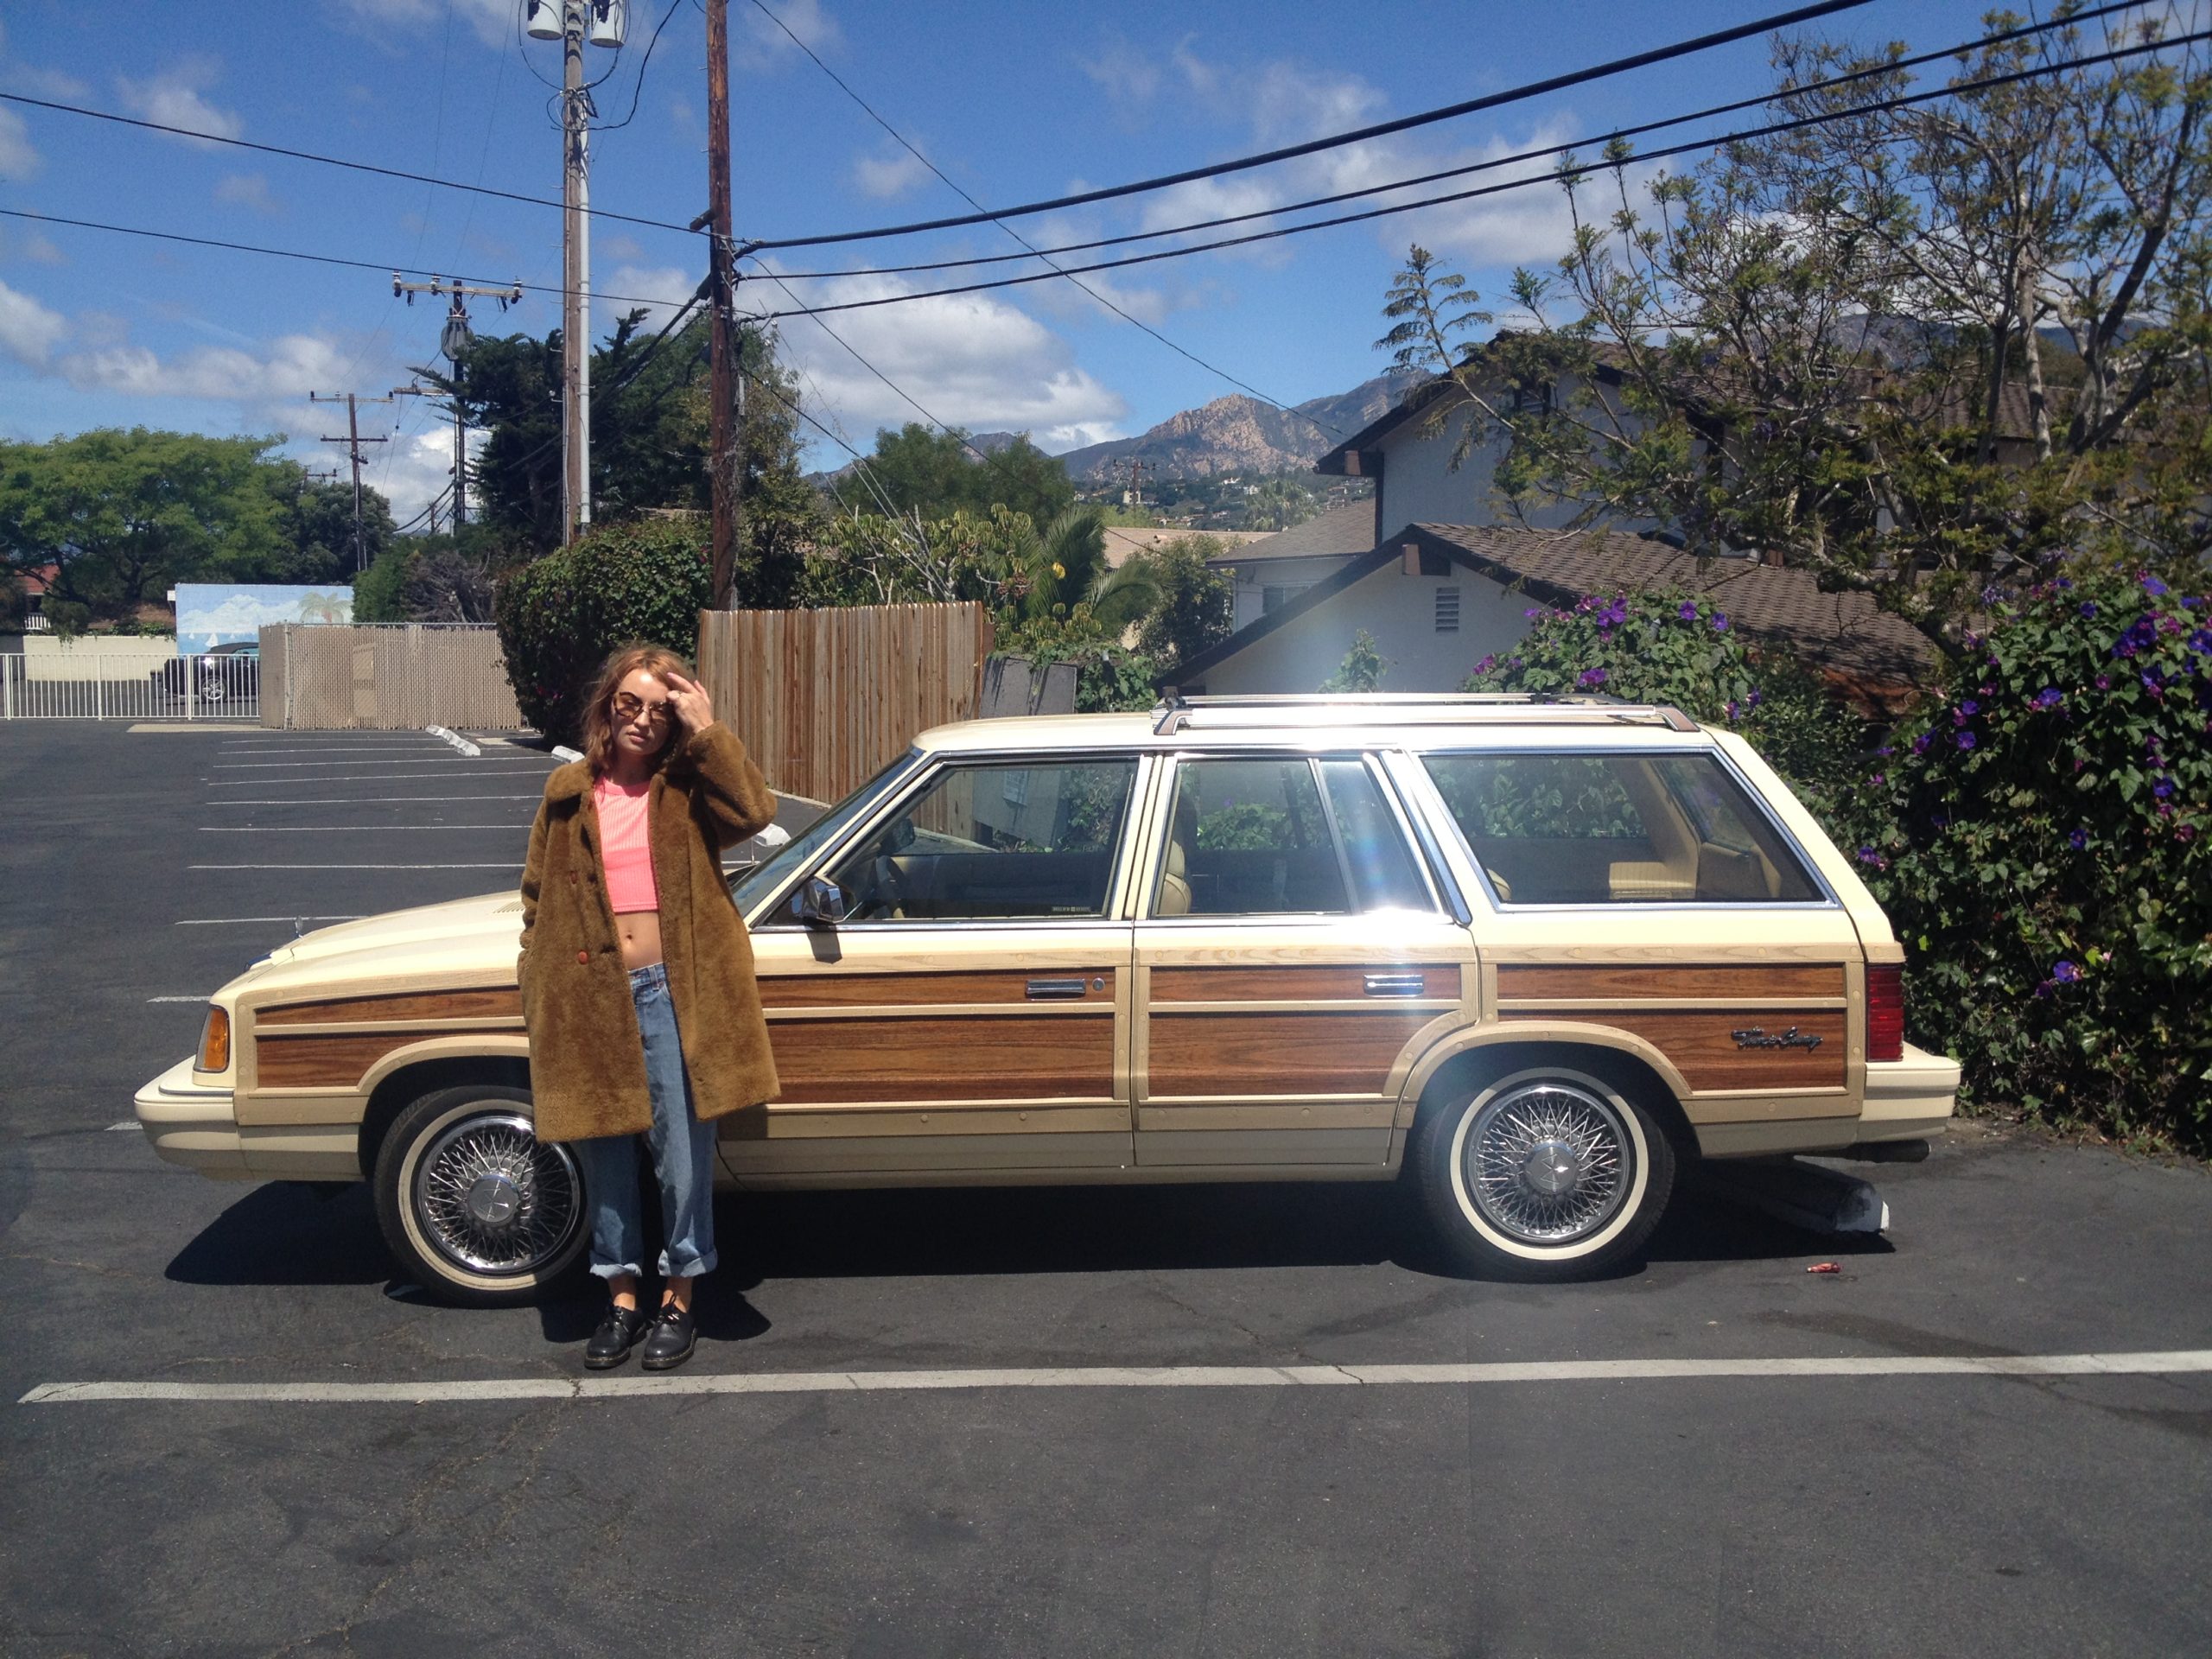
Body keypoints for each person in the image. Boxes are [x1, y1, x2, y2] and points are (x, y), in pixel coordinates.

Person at [517, 643, 781, 1370]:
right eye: (629, 703)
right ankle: (621, 1297)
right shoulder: (568, 795)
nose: (643, 719)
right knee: (606, 1155)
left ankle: (680, 1298)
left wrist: (707, 728)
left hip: (671, 991)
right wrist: (535, 978)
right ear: (607, 707)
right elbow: (536, 899)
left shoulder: (689, 790)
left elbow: (756, 811)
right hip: (591, 998)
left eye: (661, 710)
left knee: (682, 1160)